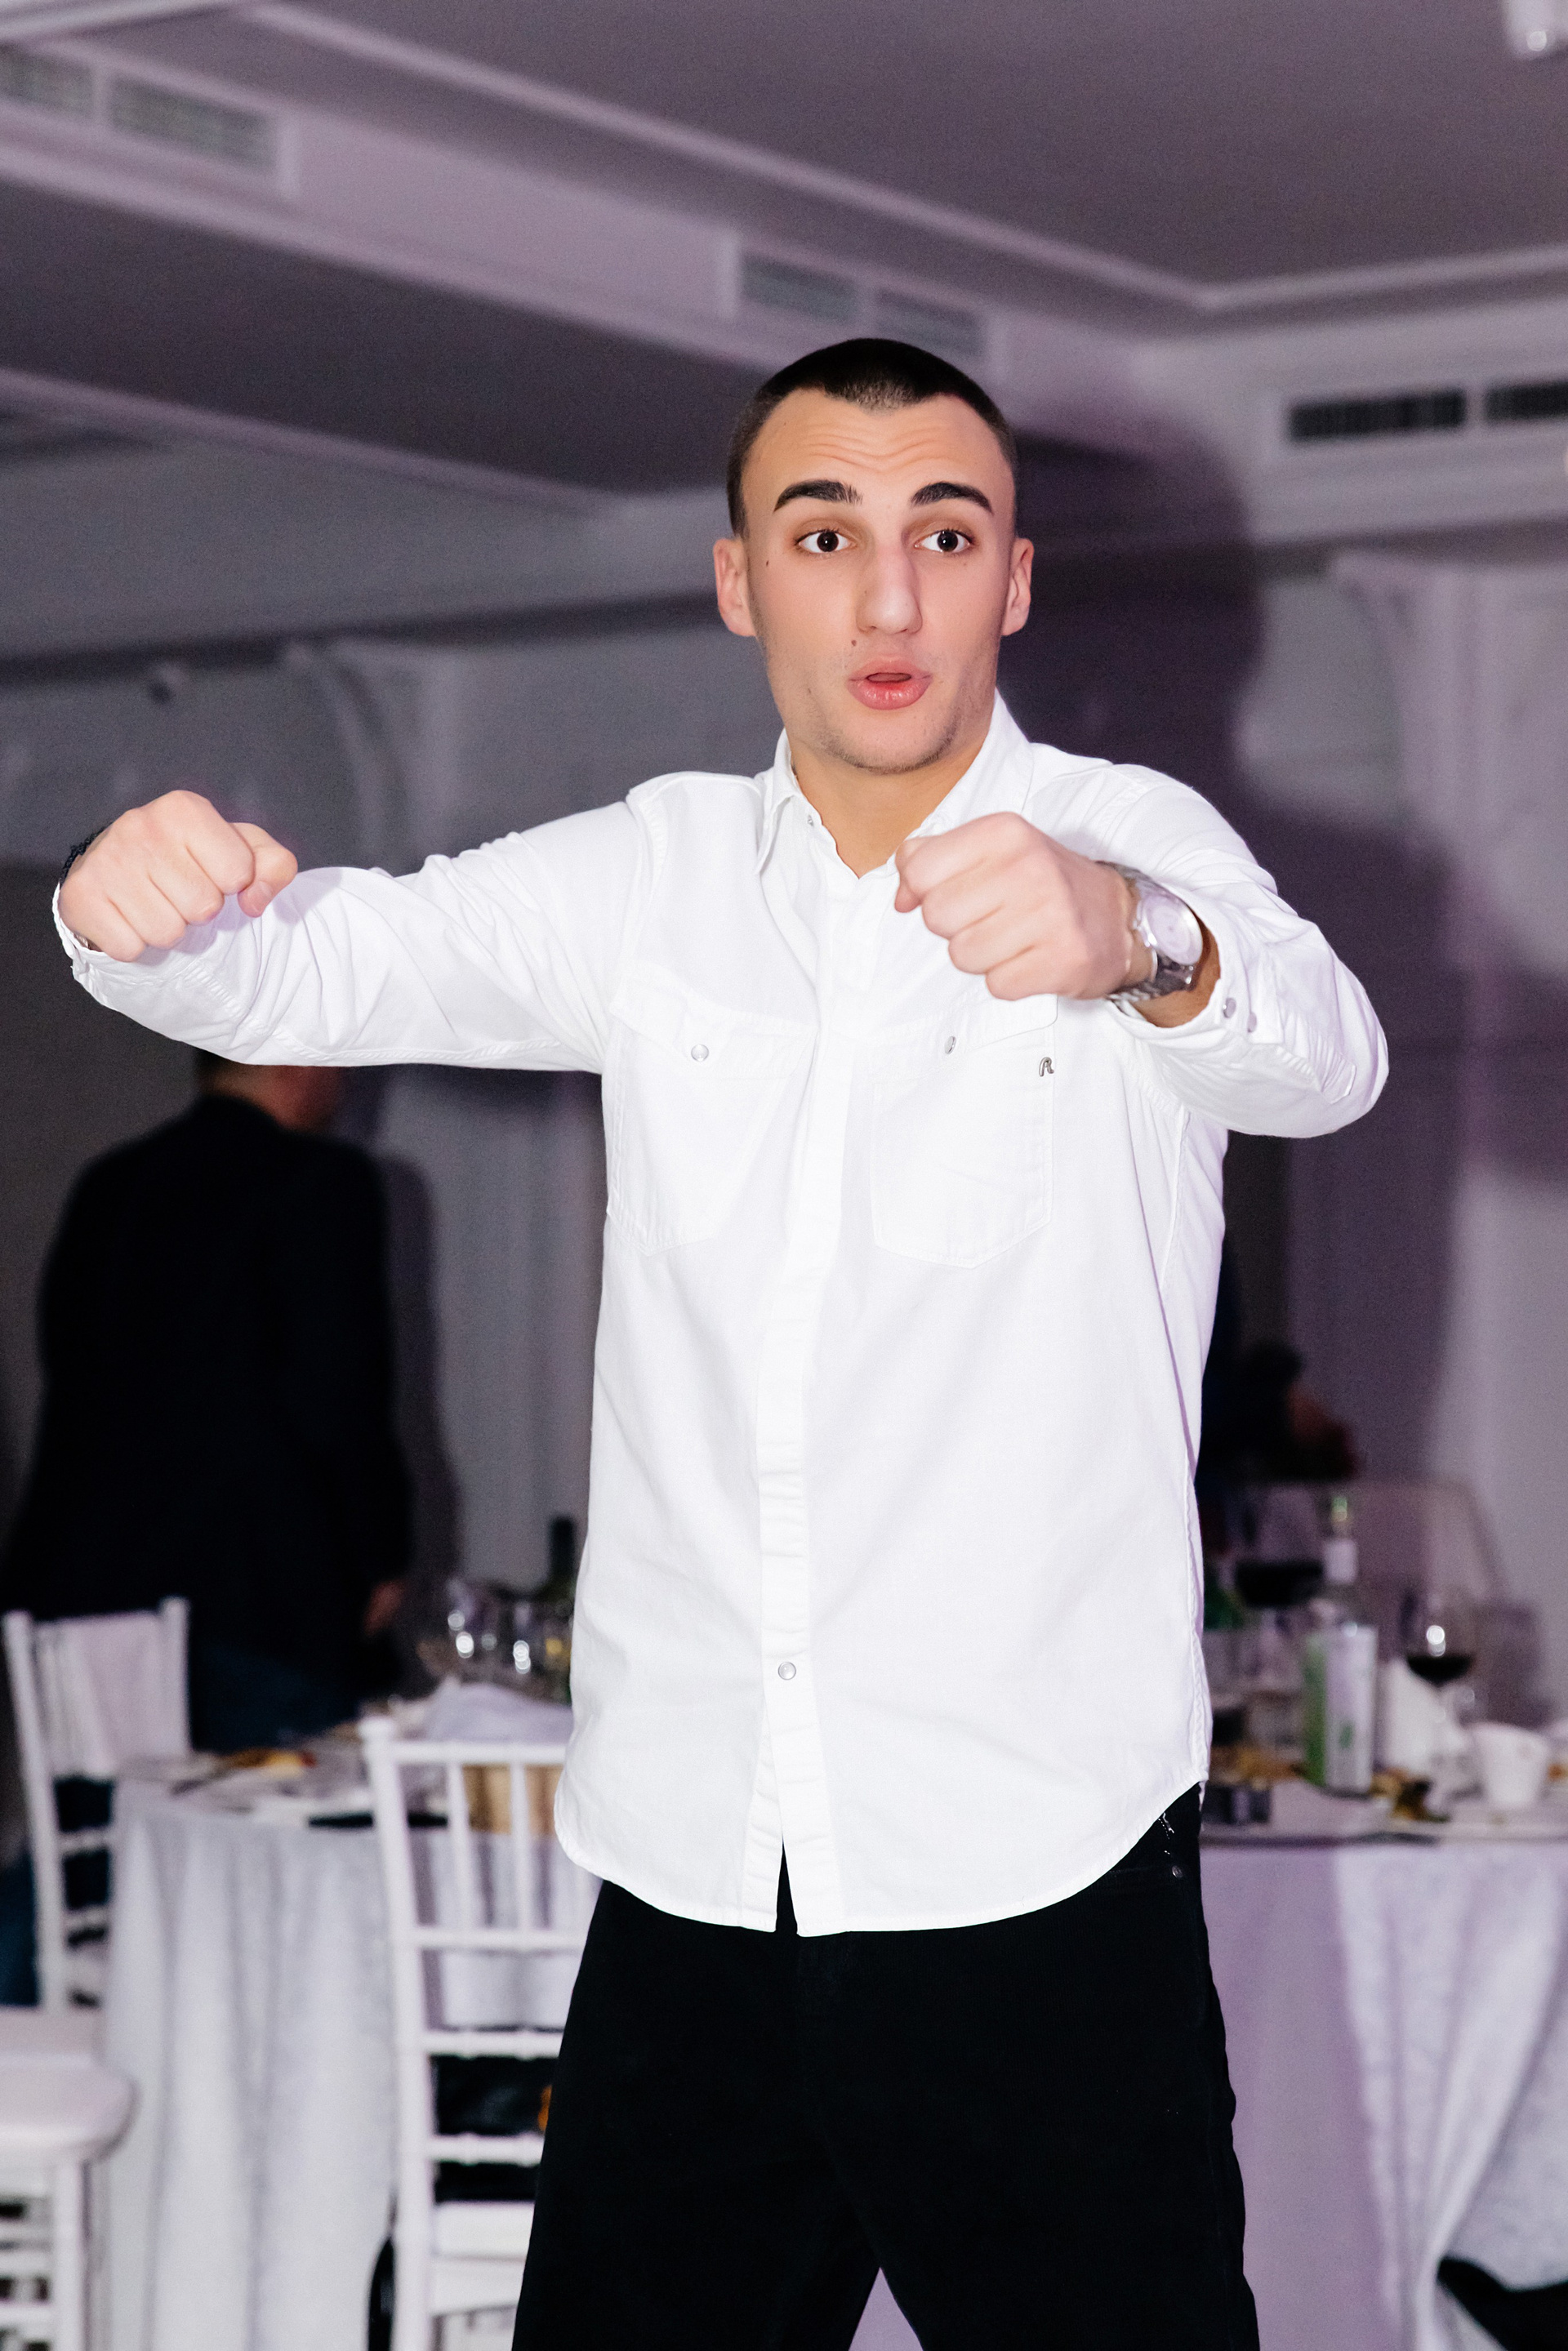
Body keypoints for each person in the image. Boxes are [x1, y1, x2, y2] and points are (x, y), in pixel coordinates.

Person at [52, 339, 1385, 2349]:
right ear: (739, 581)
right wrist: (130, 910)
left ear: (1014, 581)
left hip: (1030, 1868)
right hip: (695, 1862)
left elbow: (1328, 1054)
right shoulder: (653, 876)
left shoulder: (1125, 839)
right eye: (824, 535)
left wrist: (1140, 938)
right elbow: (321, 960)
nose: (889, 595)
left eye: (946, 535)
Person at [2, 1052, 410, 1751]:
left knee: (110, 1816)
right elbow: (339, 1389)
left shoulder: (111, 1183)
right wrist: (380, 1553)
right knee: (284, 1812)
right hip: (255, 1591)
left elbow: (65, 1360)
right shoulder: (318, 1178)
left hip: (84, 1591)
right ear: (297, 1056)